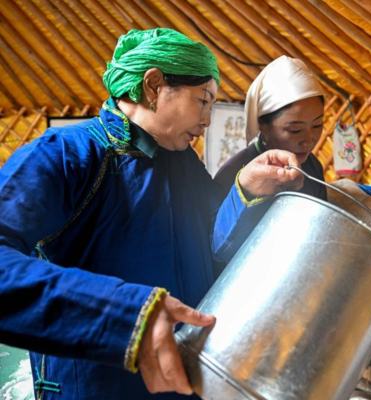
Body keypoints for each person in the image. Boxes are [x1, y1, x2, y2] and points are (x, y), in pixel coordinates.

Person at [0, 28, 302, 399]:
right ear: (154, 85)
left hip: (185, 379)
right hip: (98, 388)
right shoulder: (64, 156)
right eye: (203, 101)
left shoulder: (182, 162)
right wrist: (124, 315)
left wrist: (245, 190)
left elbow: (213, 242)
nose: (207, 120)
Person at [214, 56, 327, 201]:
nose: (309, 141)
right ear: (263, 125)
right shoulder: (233, 175)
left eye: (317, 125)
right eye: (295, 130)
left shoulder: (313, 167)